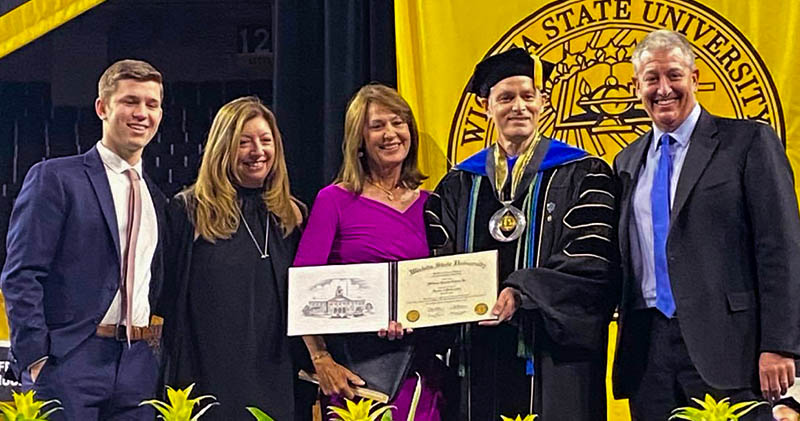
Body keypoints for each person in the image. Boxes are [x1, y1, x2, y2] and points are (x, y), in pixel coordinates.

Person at [611, 29, 800, 420]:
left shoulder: (748, 142)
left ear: (695, 78)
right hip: (648, 353)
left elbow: (781, 248)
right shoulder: (626, 162)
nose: (664, 88)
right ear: (636, 87)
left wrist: (781, 344)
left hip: (731, 349)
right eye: (651, 79)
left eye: (674, 75)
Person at [424, 48, 618, 421]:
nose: (518, 107)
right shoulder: (459, 183)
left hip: (553, 358)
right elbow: (438, 257)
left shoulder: (586, 174)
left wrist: (522, 291)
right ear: (487, 106)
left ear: (544, 103)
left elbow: (592, 259)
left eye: (528, 96)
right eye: (506, 98)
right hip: (475, 354)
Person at [0, 59, 167, 419]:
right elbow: (21, 274)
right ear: (102, 108)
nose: (141, 113)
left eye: (151, 104)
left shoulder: (158, 197)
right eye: (130, 101)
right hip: (69, 361)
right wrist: (37, 358)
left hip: (138, 365)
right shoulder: (55, 178)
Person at [293, 83, 453, 420]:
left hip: (419, 371)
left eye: (398, 122)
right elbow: (303, 290)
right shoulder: (333, 201)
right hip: (358, 376)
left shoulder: (431, 205)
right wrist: (321, 361)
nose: (391, 133)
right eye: (377, 125)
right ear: (359, 140)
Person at [160, 96, 306, 420]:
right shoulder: (189, 212)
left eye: (265, 140)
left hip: (277, 374)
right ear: (222, 149)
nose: (258, 152)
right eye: (244, 143)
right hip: (209, 379)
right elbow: (165, 299)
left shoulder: (293, 215)